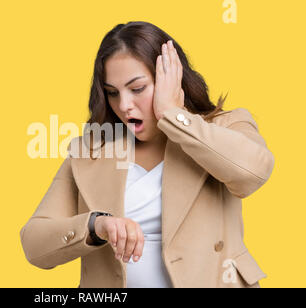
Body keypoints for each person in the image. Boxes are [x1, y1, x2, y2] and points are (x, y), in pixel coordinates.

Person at [20, 21, 275, 288]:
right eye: (112, 93)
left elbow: (252, 174)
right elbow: (34, 244)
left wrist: (172, 115)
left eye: (137, 88)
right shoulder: (90, 151)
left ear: (172, 79)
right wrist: (96, 226)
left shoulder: (225, 126)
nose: (124, 105)